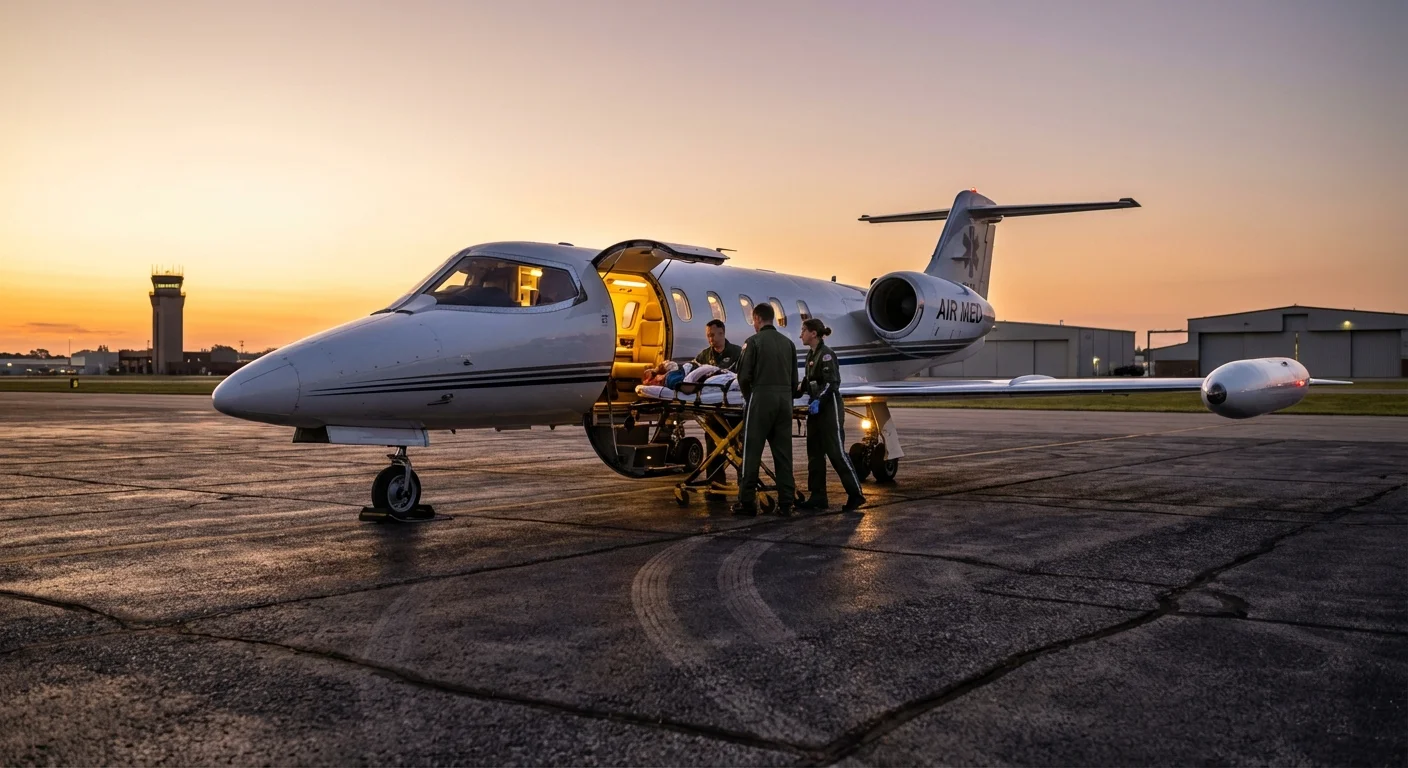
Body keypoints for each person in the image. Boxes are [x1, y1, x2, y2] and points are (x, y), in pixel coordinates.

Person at [733, 303, 797, 516]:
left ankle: (747, 501)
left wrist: (750, 398)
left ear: (757, 319)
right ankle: (787, 502)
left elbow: (743, 377)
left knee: (751, 452)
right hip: (785, 400)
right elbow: (795, 380)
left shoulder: (753, 342)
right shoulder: (788, 344)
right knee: (783, 454)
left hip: (761, 399)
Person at [795, 318, 865, 512]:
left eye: (803, 330)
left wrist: (819, 400)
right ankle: (817, 496)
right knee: (814, 455)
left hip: (828, 409)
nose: (800, 334)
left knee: (836, 453)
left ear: (813, 334)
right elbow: (807, 382)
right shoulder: (811, 355)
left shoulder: (826, 355)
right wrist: (793, 391)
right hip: (815, 411)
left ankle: (856, 494)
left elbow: (831, 384)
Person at [695, 320, 743, 484]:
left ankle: (744, 486)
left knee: (740, 448)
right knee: (714, 448)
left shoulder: (738, 353)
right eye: (708, 335)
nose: (710, 339)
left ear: (722, 333)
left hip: (735, 411)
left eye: (713, 335)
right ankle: (715, 485)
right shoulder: (704, 355)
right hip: (713, 411)